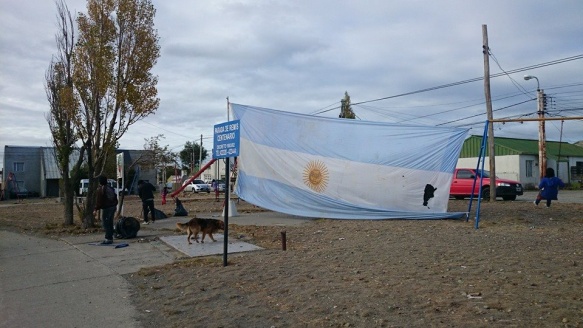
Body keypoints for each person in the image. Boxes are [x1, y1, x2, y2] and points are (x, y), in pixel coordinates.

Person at [93, 176, 118, 244]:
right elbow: (115, 197)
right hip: (113, 206)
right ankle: (112, 235)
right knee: (110, 222)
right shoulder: (110, 188)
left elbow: (99, 201)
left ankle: (108, 238)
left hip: (107, 208)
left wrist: (95, 209)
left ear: (100, 182)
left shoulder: (101, 189)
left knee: (105, 223)